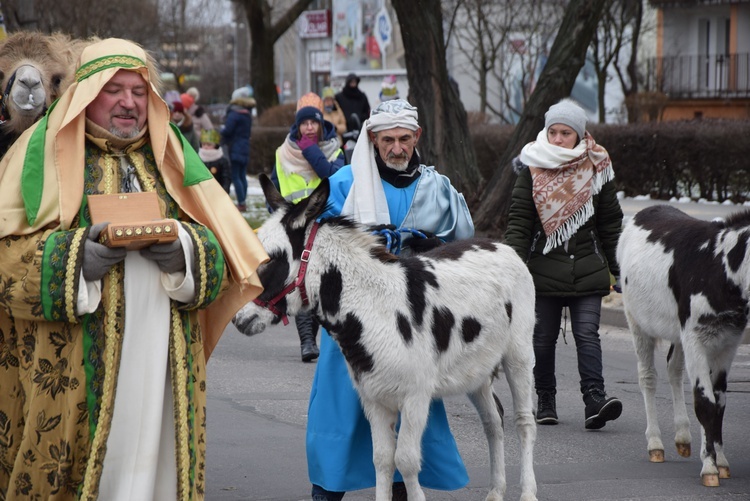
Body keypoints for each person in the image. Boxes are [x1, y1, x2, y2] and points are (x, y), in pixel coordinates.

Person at [0, 38, 268, 500]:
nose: (129, 102)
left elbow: (221, 251)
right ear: (87, 92)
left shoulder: (171, 159)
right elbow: (6, 260)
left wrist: (186, 253)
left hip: (162, 375)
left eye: (139, 91)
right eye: (114, 89)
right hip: (74, 377)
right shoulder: (38, 154)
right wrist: (72, 258)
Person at [307, 99, 474, 500]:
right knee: (340, 412)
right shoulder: (345, 184)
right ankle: (326, 492)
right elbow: (315, 245)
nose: (396, 148)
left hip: (412, 328)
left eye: (403, 139)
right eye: (387, 141)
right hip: (353, 326)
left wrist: (432, 245)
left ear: (416, 137)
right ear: (373, 140)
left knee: (413, 417)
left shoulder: (438, 189)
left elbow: (464, 250)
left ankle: (402, 489)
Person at [504, 98, 624, 430]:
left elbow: (611, 224)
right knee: (542, 337)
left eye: (565, 133)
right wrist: (511, 270)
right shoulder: (531, 167)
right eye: (553, 131)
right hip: (541, 271)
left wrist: (621, 270)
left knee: (588, 334)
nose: (558, 139)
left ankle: (595, 399)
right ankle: (545, 399)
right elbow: (518, 224)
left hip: (588, 267)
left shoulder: (597, 167)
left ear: (579, 135)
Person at [270, 92, 345, 363]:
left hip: (326, 225)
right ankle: (306, 342)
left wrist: (310, 150)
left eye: (314, 122)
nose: (309, 128)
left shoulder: (336, 150)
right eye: (304, 124)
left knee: (324, 284)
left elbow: (331, 177)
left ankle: (323, 342)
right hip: (296, 229)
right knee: (301, 282)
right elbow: (276, 188)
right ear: (297, 126)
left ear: (322, 124)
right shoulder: (282, 153)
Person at [221, 85, 255, 212]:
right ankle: (243, 201)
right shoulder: (247, 113)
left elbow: (228, 130)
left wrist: (222, 130)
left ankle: (241, 203)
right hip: (245, 147)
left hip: (234, 147)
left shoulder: (235, 114)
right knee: (242, 175)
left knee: (235, 175)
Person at [199, 127, 231, 193]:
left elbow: (226, 178)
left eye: (209, 144)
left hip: (217, 192)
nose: (206, 147)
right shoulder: (198, 159)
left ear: (215, 145)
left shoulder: (222, 161)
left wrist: (224, 191)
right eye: (204, 144)